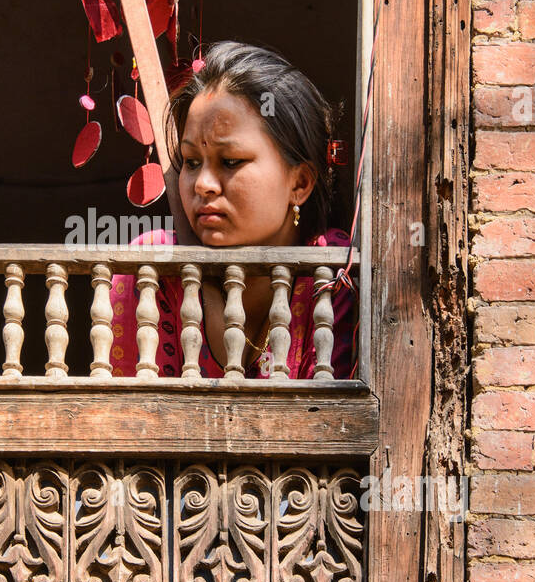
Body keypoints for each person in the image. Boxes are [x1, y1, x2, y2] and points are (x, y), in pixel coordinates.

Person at [109, 40, 357, 380]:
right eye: (192, 162)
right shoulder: (152, 269)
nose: (202, 184)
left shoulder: (332, 274)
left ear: (299, 184)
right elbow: (134, 418)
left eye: (230, 161)